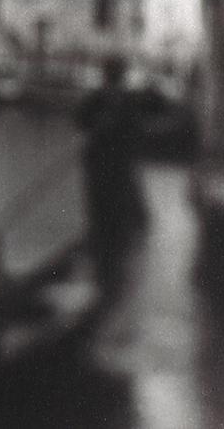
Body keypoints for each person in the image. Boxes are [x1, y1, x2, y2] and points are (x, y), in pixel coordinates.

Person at [76, 56, 147, 299]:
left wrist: (115, 128)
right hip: (97, 168)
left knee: (115, 222)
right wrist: (98, 122)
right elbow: (79, 119)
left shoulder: (129, 103)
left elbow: (136, 135)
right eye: (112, 75)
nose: (113, 80)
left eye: (114, 75)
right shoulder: (96, 99)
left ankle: (110, 276)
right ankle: (102, 268)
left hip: (117, 170)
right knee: (100, 215)